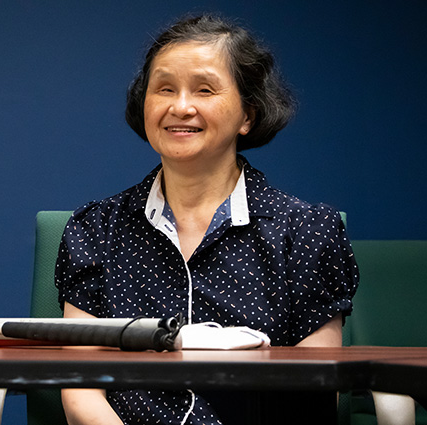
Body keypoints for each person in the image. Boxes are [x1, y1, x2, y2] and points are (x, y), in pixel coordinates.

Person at [55, 13, 359, 425]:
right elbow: (80, 393)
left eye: (204, 89)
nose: (180, 107)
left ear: (248, 115)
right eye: (164, 88)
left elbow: (316, 388)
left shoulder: (305, 232)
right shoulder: (94, 230)